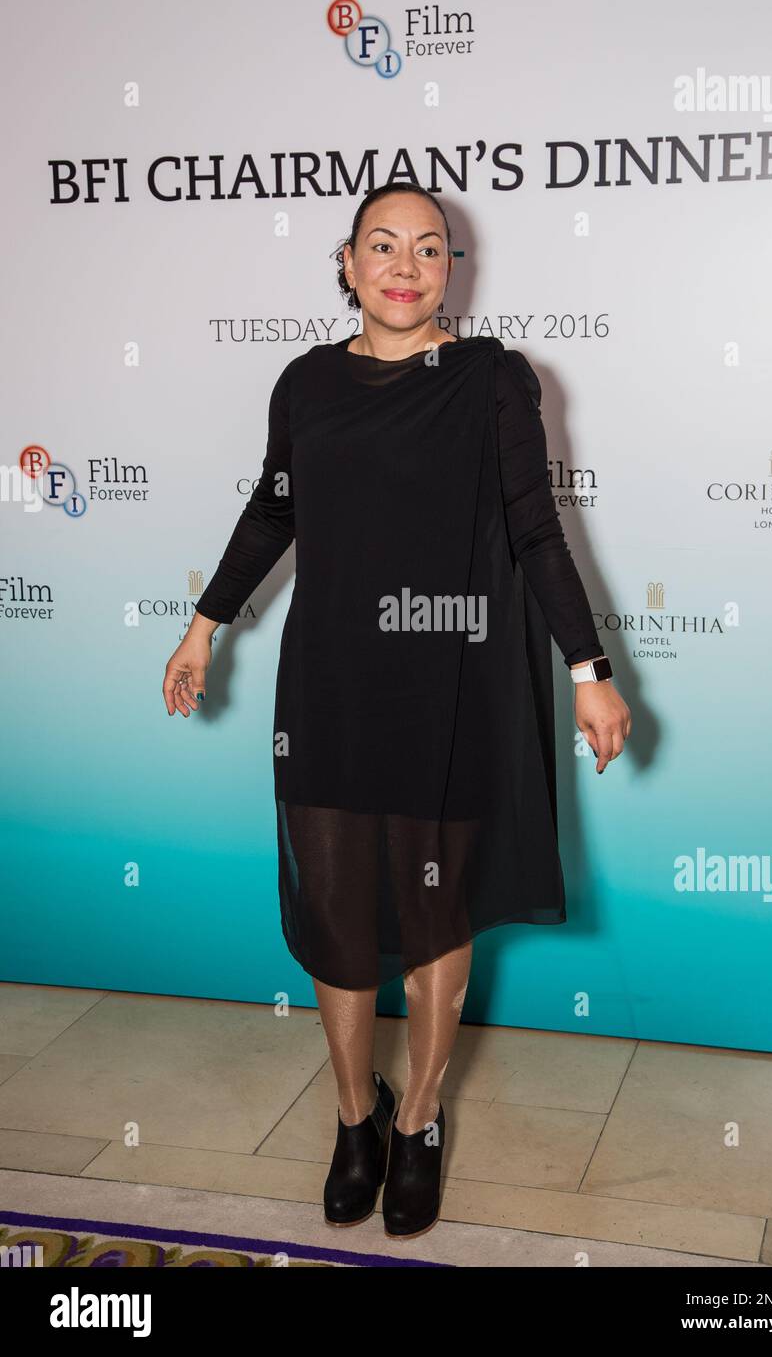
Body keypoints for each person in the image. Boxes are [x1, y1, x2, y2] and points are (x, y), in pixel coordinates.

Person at [162, 182, 631, 1241]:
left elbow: (534, 529)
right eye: (382, 245)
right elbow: (275, 505)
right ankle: (352, 1118)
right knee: (336, 923)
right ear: (345, 262)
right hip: (328, 687)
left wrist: (587, 668)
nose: (404, 265)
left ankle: (418, 1118)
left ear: (449, 269)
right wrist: (205, 622)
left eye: (428, 248)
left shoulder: (490, 379)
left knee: (432, 916)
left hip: (448, 690)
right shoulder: (306, 382)